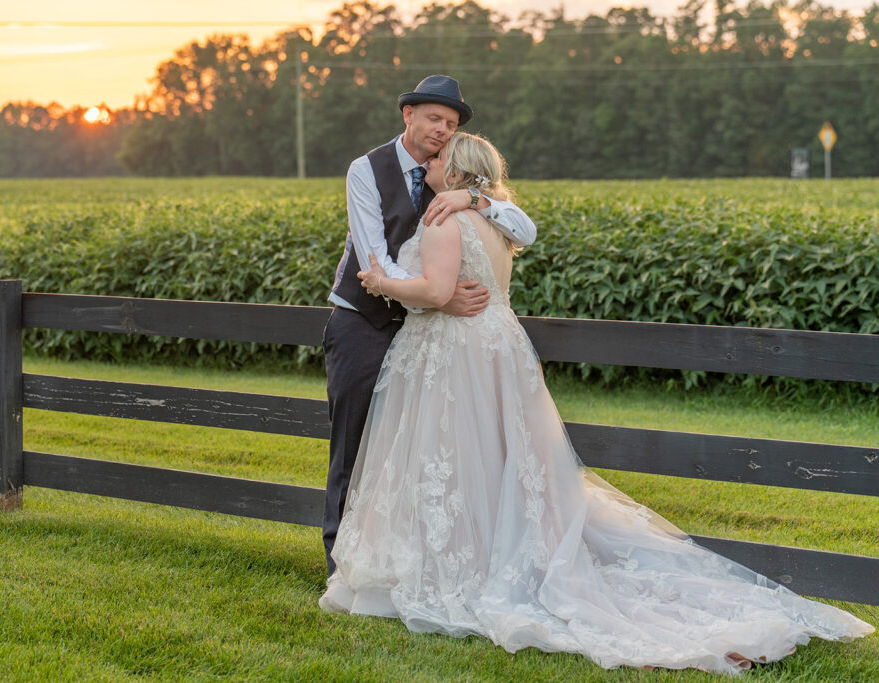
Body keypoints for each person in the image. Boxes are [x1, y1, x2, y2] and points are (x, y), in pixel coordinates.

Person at [319, 131, 874, 674]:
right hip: (498, 344)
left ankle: (456, 565)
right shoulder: (493, 223)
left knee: (452, 455)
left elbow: (438, 293)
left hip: (457, 349)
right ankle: (482, 552)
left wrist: (382, 283)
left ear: (458, 173)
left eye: (441, 158)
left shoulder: (447, 218)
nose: (431, 162)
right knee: (489, 457)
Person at [323, 75, 537, 576]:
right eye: (435, 119)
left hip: (427, 335)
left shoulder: (457, 180)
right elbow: (374, 256)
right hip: (365, 321)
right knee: (355, 444)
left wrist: (476, 200)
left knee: (417, 449)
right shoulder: (367, 169)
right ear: (409, 115)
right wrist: (435, 299)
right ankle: (340, 563)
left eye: (452, 124)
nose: (442, 131)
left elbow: (525, 228)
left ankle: (413, 561)